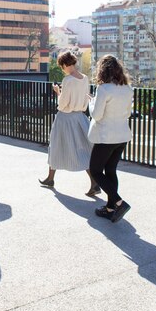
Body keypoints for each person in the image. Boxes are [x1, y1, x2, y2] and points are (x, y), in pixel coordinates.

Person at [39, 51, 99, 196]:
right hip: (80, 117)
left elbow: (62, 104)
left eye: (61, 66)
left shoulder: (68, 80)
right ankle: (94, 182)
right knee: (82, 149)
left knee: (55, 146)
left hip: (65, 119)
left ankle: (50, 179)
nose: (62, 69)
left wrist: (57, 92)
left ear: (64, 64)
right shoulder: (84, 78)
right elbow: (85, 100)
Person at [88, 54, 133, 223]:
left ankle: (119, 202)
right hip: (122, 136)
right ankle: (110, 208)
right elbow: (127, 113)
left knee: (95, 170)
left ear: (102, 70)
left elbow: (97, 115)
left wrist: (91, 103)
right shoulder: (127, 88)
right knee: (111, 170)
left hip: (106, 137)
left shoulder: (104, 89)